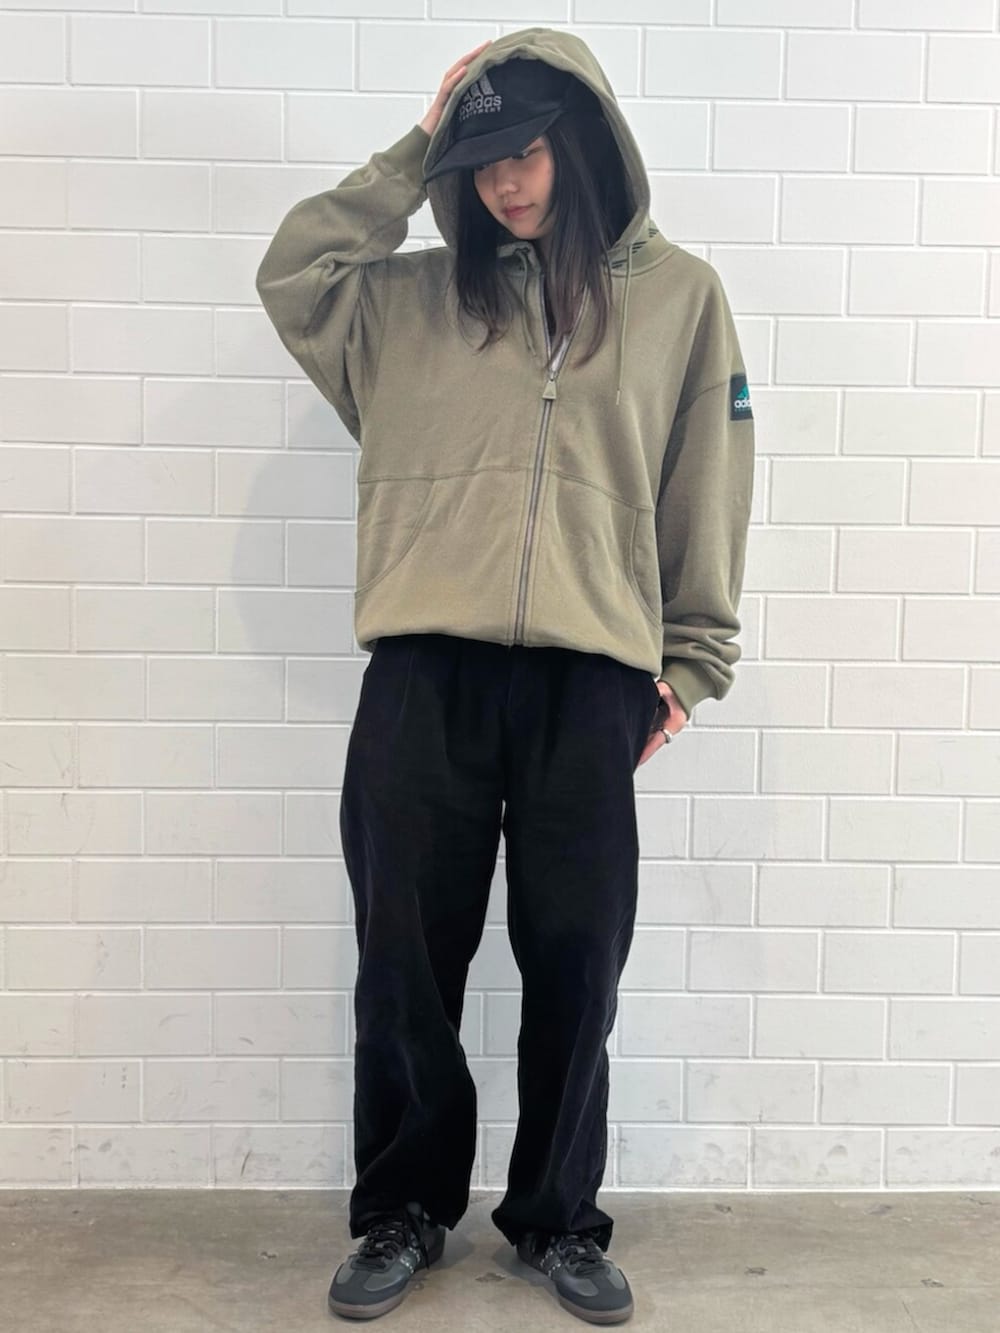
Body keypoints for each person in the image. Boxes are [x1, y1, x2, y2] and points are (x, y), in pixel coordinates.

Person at [256, 25, 754, 1326]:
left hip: (590, 678)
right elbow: (293, 267)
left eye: (526, 151)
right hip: (426, 666)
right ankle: (404, 1208)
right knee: (405, 957)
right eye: (481, 162)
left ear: (582, 145)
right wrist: (418, 144)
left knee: (578, 957)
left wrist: (690, 660)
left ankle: (557, 1217)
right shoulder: (407, 302)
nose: (506, 182)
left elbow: (706, 480)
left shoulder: (680, 299)